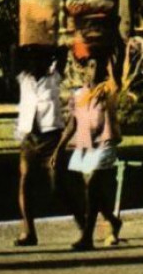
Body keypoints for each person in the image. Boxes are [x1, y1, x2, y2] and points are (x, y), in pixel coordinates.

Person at [55, 56, 123, 250]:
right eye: (91, 66)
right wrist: (60, 147)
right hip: (86, 145)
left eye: (98, 65)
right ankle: (112, 220)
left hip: (105, 142)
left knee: (92, 185)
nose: (95, 69)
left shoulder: (108, 90)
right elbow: (72, 123)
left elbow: (115, 81)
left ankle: (87, 236)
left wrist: (110, 59)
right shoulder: (79, 95)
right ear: (84, 70)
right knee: (90, 190)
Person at [12, 46, 65, 247]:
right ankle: (29, 231)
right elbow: (14, 54)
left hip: (51, 137)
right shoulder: (24, 79)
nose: (34, 64)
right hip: (29, 137)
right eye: (31, 59)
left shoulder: (54, 77)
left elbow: (62, 53)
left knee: (57, 185)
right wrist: (27, 42)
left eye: (39, 59)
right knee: (25, 182)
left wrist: (47, 41)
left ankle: (83, 222)